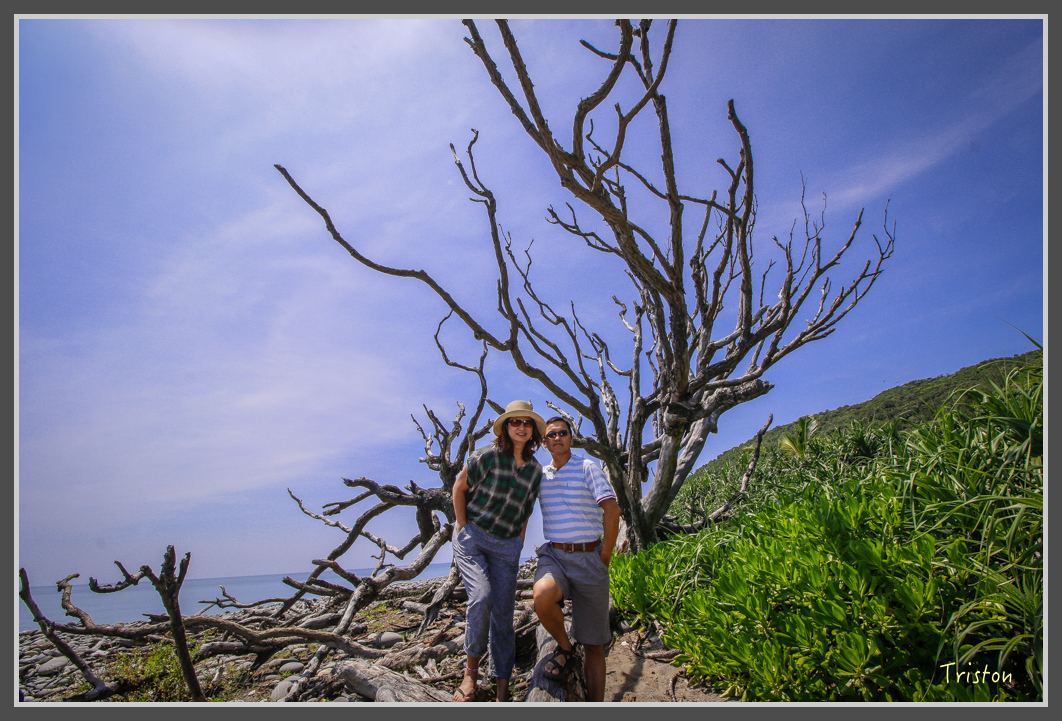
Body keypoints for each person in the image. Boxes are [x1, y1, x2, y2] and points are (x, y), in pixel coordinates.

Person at [451, 400, 545, 702]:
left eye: (527, 423)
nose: (521, 427)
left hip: (507, 546)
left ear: (533, 432)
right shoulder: (487, 456)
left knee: (503, 616)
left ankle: (502, 687)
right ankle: (470, 674)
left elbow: (526, 508)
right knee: (482, 597)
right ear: (505, 427)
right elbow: (459, 488)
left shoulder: (535, 470)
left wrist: (519, 541)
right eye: (515, 422)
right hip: (474, 537)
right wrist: (463, 527)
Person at [532, 415, 620, 702]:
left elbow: (612, 510)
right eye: (551, 435)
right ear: (544, 443)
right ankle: (566, 647)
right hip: (554, 556)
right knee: (542, 594)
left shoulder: (587, 467)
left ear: (571, 438)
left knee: (593, 645)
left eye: (562, 433)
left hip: (589, 557)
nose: (557, 438)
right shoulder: (540, 475)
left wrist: (604, 556)